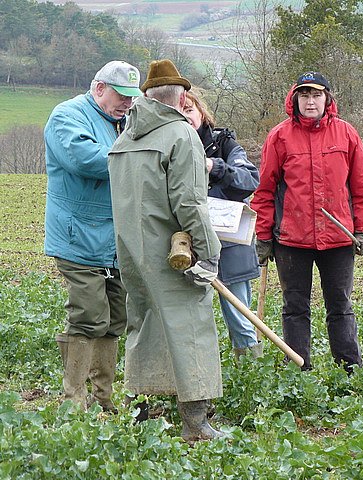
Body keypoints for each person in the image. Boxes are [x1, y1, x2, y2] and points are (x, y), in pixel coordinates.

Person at [108, 59, 224, 442]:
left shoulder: (124, 138)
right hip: (174, 254)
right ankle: (196, 424)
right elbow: (189, 202)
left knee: (143, 325)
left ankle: (139, 415)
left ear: (147, 96)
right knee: (190, 326)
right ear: (183, 95)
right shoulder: (180, 134)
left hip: (131, 251)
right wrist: (208, 252)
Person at [250, 72, 363, 372]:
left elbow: (361, 188)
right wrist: (264, 235)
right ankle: (298, 369)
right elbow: (265, 190)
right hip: (292, 240)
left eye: (316, 95)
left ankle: (349, 369)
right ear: (295, 99)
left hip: (339, 238)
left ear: (327, 99)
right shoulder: (279, 137)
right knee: (295, 308)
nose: (310, 101)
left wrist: (362, 229)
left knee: (340, 306)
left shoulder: (347, 135)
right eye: (304, 95)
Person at [44, 60, 142, 411]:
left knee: (116, 318)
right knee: (88, 315)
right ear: (99, 87)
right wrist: (139, 159)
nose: (128, 103)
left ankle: (104, 399)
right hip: (78, 236)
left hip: (116, 240)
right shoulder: (67, 116)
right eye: (121, 95)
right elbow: (84, 159)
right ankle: (74, 401)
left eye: (133, 97)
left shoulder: (125, 122)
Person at [182, 91, 263, 360]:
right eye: (179, 111)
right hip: (185, 249)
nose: (186, 116)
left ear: (202, 113)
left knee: (240, 318)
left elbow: (248, 180)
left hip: (229, 248)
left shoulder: (225, 145)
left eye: (190, 109)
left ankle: (251, 377)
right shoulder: (168, 148)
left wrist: (213, 167)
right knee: (189, 320)